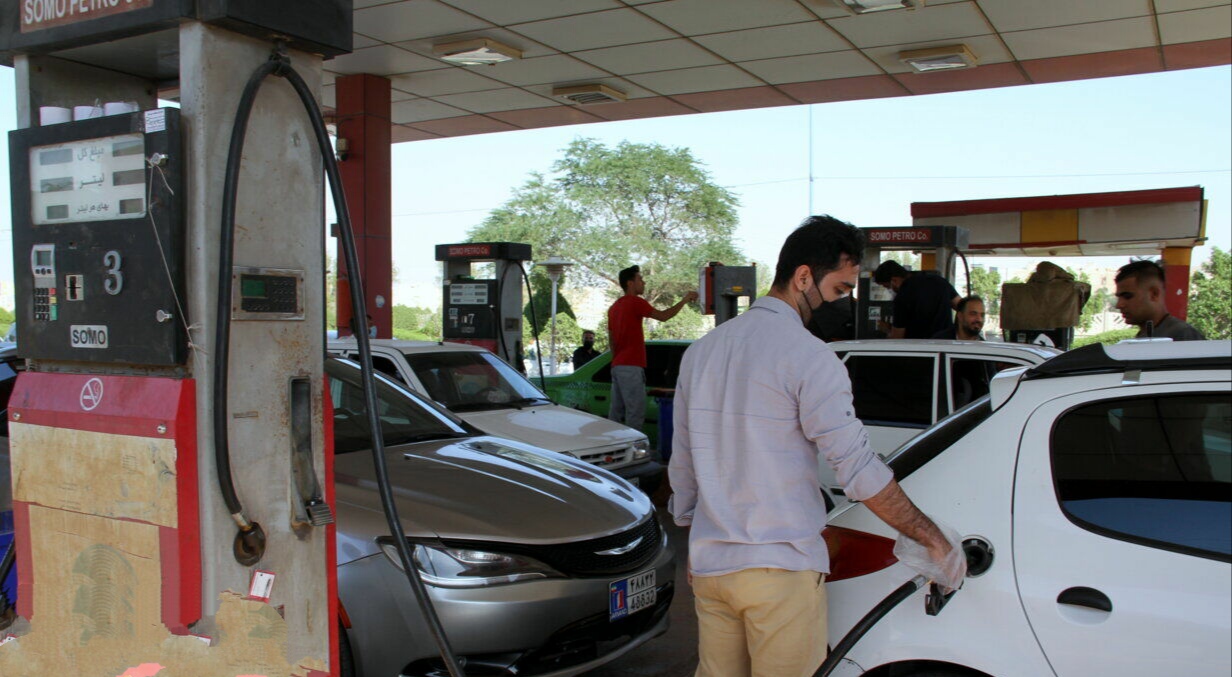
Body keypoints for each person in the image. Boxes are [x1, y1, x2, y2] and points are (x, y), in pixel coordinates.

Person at [669, 216, 965, 677]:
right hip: (780, 573)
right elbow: (859, 470)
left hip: (712, 571)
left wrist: (695, 538)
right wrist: (933, 540)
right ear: (803, 276)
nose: (841, 301)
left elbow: (683, 464)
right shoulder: (809, 356)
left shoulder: (701, 352)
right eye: (840, 288)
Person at [607, 265, 698, 431]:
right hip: (631, 365)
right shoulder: (635, 302)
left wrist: (617, 360)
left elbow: (611, 339)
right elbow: (664, 316)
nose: (643, 282)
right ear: (630, 283)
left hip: (617, 365)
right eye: (640, 279)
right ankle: (634, 446)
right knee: (635, 413)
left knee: (616, 414)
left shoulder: (614, 307)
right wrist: (684, 300)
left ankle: (615, 445)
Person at [1114, 259, 1204, 340]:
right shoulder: (1145, 334)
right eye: (1119, 298)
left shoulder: (1183, 335)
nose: (1119, 305)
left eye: (1127, 296)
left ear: (1154, 294)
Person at [873, 260, 961, 339]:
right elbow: (961, 306)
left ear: (894, 280)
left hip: (919, 347)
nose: (889, 290)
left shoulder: (902, 297)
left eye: (887, 286)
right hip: (946, 344)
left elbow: (897, 337)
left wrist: (887, 329)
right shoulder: (939, 281)